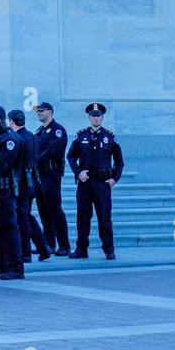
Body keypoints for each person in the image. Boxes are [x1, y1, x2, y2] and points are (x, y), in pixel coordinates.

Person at [67, 103, 124, 260]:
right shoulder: (81, 136)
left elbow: (119, 162)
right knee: (82, 217)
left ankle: (109, 249)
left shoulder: (110, 137)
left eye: (98, 115)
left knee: (104, 218)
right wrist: (78, 172)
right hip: (85, 183)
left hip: (102, 183)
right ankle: (81, 249)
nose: (95, 118)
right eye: (93, 115)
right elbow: (70, 156)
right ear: (89, 117)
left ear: (102, 117)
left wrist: (114, 178)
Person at [7, 109, 52, 263]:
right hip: (30, 181)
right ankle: (43, 247)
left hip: (22, 183)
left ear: (11, 121)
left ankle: (26, 252)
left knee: (22, 218)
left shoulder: (16, 138)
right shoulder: (31, 135)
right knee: (25, 215)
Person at [0, 105, 24, 279]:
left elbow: (2, 165)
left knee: (9, 228)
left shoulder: (11, 139)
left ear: (2, 119)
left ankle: (15, 268)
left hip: (6, 190)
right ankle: (2, 266)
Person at [34, 101, 71, 256]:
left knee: (55, 209)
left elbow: (52, 151)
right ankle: (48, 243)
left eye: (41, 110)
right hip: (39, 174)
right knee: (43, 210)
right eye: (37, 111)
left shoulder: (58, 131)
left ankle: (64, 245)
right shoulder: (39, 131)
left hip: (51, 174)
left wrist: (35, 162)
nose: (38, 113)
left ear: (50, 111)